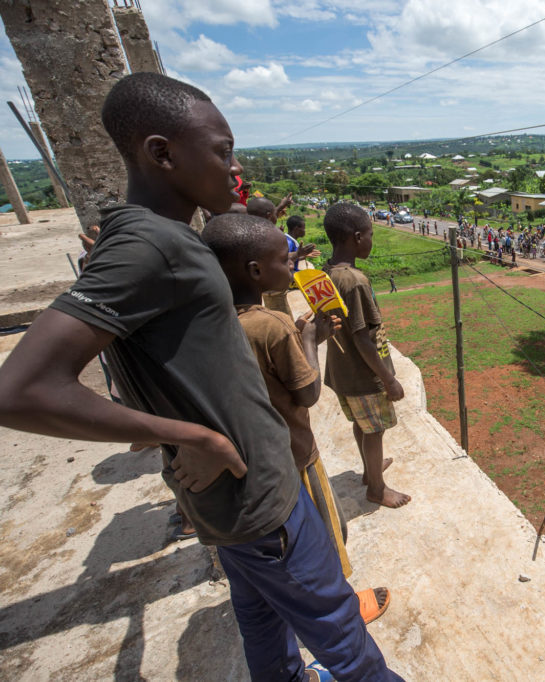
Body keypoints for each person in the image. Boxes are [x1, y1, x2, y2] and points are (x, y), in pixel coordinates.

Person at [0, 73, 399, 681]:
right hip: (258, 496)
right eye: (222, 150)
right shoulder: (151, 246)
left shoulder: (154, 237)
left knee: (262, 620)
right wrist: (195, 437)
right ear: (161, 153)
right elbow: (21, 391)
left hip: (228, 505)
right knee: (343, 635)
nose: (233, 168)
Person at [203, 213, 391, 626]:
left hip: (251, 458)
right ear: (256, 271)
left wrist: (314, 337)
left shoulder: (211, 321)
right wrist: (308, 339)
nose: (292, 267)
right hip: (293, 451)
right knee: (325, 532)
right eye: (284, 261)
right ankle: (340, 607)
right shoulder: (272, 326)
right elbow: (306, 393)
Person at [322, 203, 411, 510]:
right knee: (375, 429)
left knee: (363, 424)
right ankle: (376, 487)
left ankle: (369, 471)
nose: (373, 240)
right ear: (357, 237)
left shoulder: (328, 271)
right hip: (365, 374)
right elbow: (362, 337)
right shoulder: (355, 282)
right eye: (371, 234)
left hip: (343, 370)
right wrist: (389, 379)